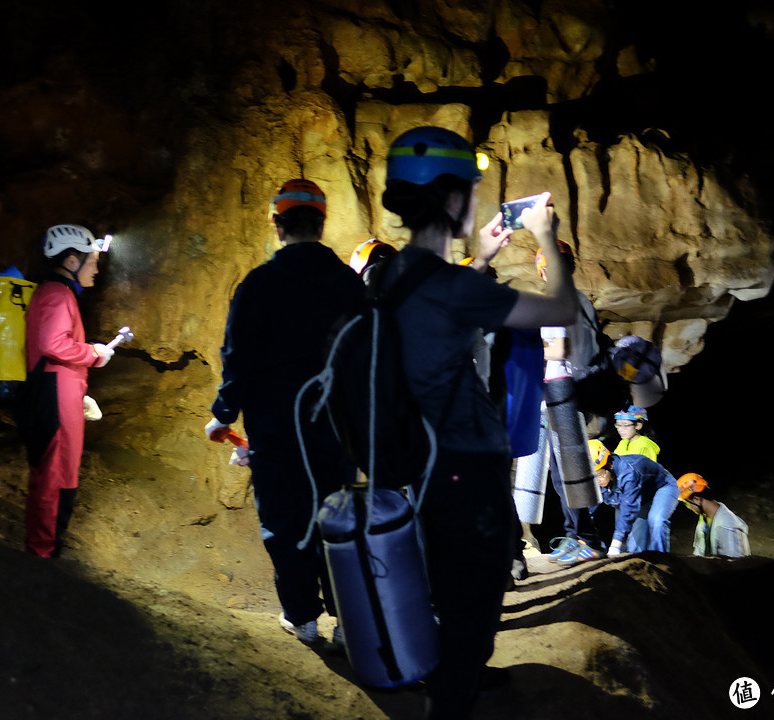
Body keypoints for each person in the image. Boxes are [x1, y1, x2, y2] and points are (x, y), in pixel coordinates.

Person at [379, 126, 577, 720]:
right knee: (477, 592)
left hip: (425, 459)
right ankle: (451, 701)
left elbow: (436, 319)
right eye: (468, 189)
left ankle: (453, 675)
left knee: (445, 581)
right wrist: (543, 236)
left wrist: (483, 257)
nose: (473, 200)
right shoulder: (456, 286)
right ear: (450, 198)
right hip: (467, 462)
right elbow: (562, 309)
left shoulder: (394, 275)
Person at [206, 179, 363, 646]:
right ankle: (348, 620)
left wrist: (223, 413)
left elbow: (239, 356)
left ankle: (303, 617)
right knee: (335, 514)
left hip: (277, 423)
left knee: (285, 517)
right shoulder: (350, 285)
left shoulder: (259, 285)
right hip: (337, 423)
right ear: (321, 223)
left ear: (278, 226)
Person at [22, 223, 113, 558]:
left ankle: (44, 547)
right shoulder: (57, 294)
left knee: (57, 473)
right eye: (92, 261)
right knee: (56, 475)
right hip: (54, 395)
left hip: (60, 391)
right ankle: (42, 552)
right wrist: (93, 353)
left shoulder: (55, 293)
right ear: (72, 261)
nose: (96, 268)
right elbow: (52, 343)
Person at [529, 243, 605, 567]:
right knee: (564, 475)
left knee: (568, 474)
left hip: (562, 391)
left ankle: (587, 539)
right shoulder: (583, 301)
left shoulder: (556, 302)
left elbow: (555, 352)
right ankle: (576, 535)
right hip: (575, 389)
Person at [589, 439, 679, 555]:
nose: (596, 481)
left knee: (656, 521)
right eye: (593, 476)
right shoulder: (597, 477)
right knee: (634, 546)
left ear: (610, 465)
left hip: (661, 487)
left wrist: (616, 543)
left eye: (599, 475)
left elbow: (629, 508)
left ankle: (662, 562)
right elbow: (588, 505)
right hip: (637, 497)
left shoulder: (628, 472)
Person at [677, 472, 751, 558]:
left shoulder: (726, 526)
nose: (688, 507)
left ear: (697, 499)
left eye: (686, 503)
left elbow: (735, 565)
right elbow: (699, 554)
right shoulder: (704, 519)